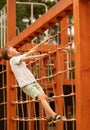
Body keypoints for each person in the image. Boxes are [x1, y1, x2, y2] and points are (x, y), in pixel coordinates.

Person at [1, 44, 63, 125]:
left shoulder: (17, 57)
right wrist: (38, 56)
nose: (15, 48)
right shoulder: (13, 60)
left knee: (44, 97)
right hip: (26, 84)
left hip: (33, 81)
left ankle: (49, 118)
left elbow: (28, 53)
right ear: (9, 55)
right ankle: (54, 115)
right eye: (12, 48)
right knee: (41, 97)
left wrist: (34, 50)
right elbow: (26, 58)